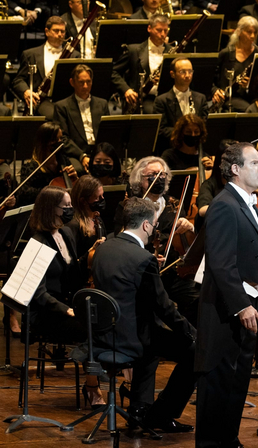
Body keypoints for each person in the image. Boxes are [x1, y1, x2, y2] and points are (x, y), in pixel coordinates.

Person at [195, 142, 258, 448]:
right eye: (255, 163)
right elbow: (221, 263)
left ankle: (228, 440)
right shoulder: (224, 204)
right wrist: (243, 307)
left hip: (248, 304)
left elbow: (255, 258)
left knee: (237, 380)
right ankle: (211, 444)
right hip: (225, 309)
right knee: (218, 381)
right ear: (236, 169)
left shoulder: (249, 203)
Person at [92, 197, 196, 432]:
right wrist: (191, 332)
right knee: (194, 351)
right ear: (147, 225)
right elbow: (164, 307)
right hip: (132, 337)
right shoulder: (143, 258)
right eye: (155, 224)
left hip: (103, 333)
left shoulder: (104, 248)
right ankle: (161, 414)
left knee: (154, 334)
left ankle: (139, 408)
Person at [28, 185, 105, 409]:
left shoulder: (64, 233)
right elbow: (38, 293)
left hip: (67, 303)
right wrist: (66, 310)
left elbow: (71, 274)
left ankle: (92, 366)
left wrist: (90, 256)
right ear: (51, 209)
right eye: (67, 206)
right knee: (90, 327)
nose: (71, 210)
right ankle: (92, 386)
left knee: (101, 319)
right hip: (46, 313)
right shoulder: (38, 243)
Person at [117, 156, 199, 324]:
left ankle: (189, 341)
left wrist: (188, 226)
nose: (159, 179)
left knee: (197, 298)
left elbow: (184, 238)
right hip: (144, 272)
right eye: (153, 175)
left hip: (174, 272)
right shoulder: (129, 206)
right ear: (140, 180)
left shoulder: (175, 204)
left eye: (163, 175)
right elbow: (122, 240)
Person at [12, 16, 77, 119]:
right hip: (42, 100)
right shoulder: (30, 54)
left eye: (62, 31)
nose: (60, 34)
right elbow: (18, 80)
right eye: (56, 31)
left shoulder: (74, 55)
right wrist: (26, 91)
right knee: (54, 116)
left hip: (67, 99)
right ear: (47, 32)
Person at [111, 14, 172, 114]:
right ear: (149, 28)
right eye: (159, 30)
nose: (163, 34)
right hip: (142, 100)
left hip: (166, 98)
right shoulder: (133, 50)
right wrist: (126, 90)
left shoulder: (172, 52)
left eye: (165, 31)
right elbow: (113, 72)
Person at [53, 64, 109, 173]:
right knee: (78, 170)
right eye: (81, 82)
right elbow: (63, 138)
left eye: (88, 82)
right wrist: (82, 156)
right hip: (76, 153)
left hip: (99, 151)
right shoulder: (61, 106)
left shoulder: (102, 104)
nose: (85, 86)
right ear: (72, 82)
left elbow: (107, 133)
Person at [154, 57, 209, 154]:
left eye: (190, 71)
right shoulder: (161, 101)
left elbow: (204, 125)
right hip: (173, 150)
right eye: (182, 72)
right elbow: (161, 129)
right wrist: (184, 134)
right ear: (172, 74)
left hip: (197, 150)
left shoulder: (201, 98)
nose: (187, 75)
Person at [17, 122, 79, 207]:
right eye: (55, 140)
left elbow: (74, 190)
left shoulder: (64, 161)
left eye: (61, 138)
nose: (60, 142)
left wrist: (75, 179)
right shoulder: (31, 167)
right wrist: (50, 192)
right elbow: (24, 193)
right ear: (44, 142)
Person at [211, 16, 258, 113]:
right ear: (239, 32)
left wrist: (249, 85)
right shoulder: (226, 53)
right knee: (251, 111)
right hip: (230, 98)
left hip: (253, 97)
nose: (252, 36)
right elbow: (210, 78)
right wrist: (215, 90)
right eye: (249, 32)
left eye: (255, 32)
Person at [161, 113, 208, 199]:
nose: (193, 135)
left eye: (196, 132)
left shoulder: (205, 157)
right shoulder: (169, 156)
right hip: (175, 199)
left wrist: (213, 170)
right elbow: (163, 180)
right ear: (181, 133)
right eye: (188, 132)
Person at [65, 175, 107, 265]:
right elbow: (71, 264)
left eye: (102, 195)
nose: (102, 199)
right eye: (97, 197)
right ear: (83, 201)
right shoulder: (73, 226)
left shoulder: (97, 219)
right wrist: (90, 253)